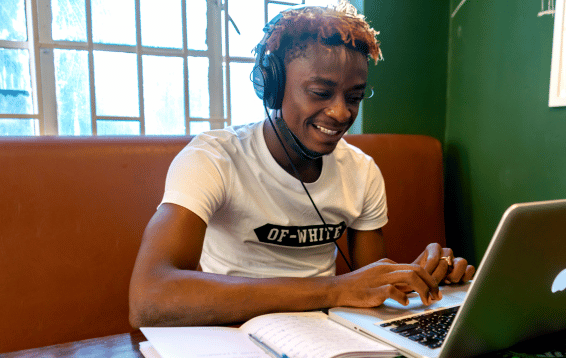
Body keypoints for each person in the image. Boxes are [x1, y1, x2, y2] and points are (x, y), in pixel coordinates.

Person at [128, 1, 475, 328]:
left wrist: (419, 278)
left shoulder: (362, 171)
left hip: (320, 336)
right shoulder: (213, 158)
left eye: (353, 98)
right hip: (231, 332)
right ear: (272, 87)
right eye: (320, 93)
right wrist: (335, 290)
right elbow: (149, 298)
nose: (341, 113)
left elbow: (370, 289)